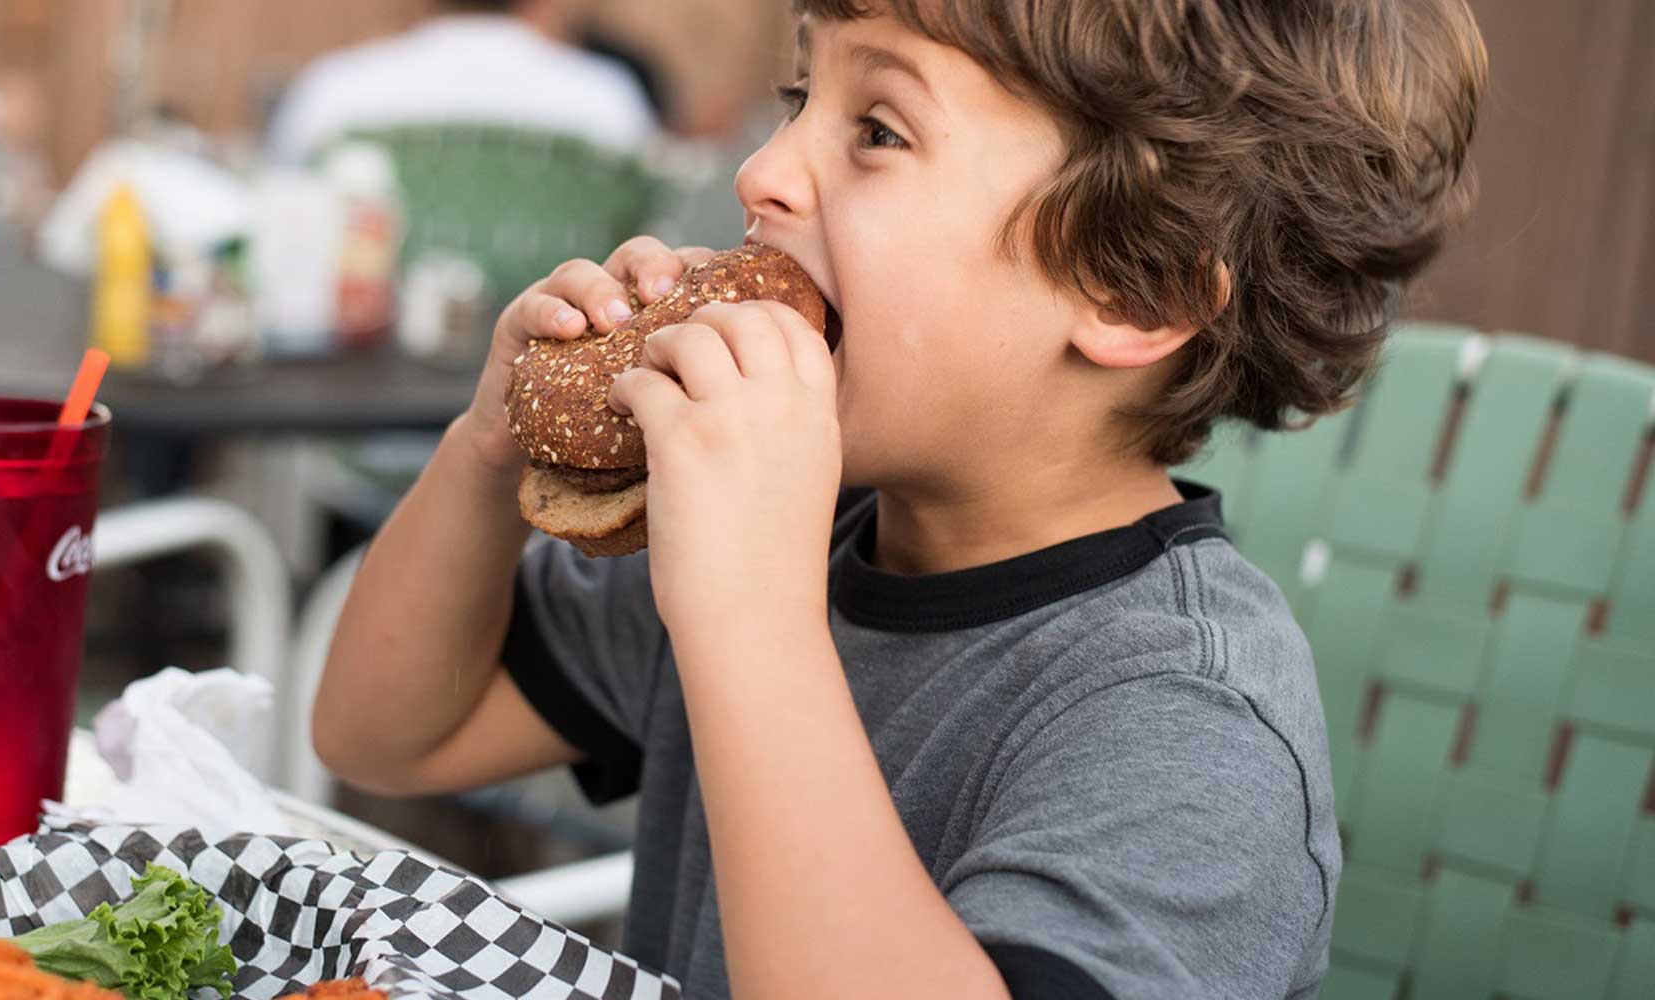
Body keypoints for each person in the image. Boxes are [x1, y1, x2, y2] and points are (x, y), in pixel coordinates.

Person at [312, 1, 1486, 997]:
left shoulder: (1187, 724)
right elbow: (384, 731)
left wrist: (750, 611)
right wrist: (488, 452)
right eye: (796, 95)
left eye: (876, 128)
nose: (761, 172)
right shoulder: (786, 524)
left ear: (1133, 288)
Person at [263, 0, 658, 167]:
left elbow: (281, 204)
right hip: (567, 326)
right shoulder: (604, 97)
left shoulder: (335, 89)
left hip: (365, 340)